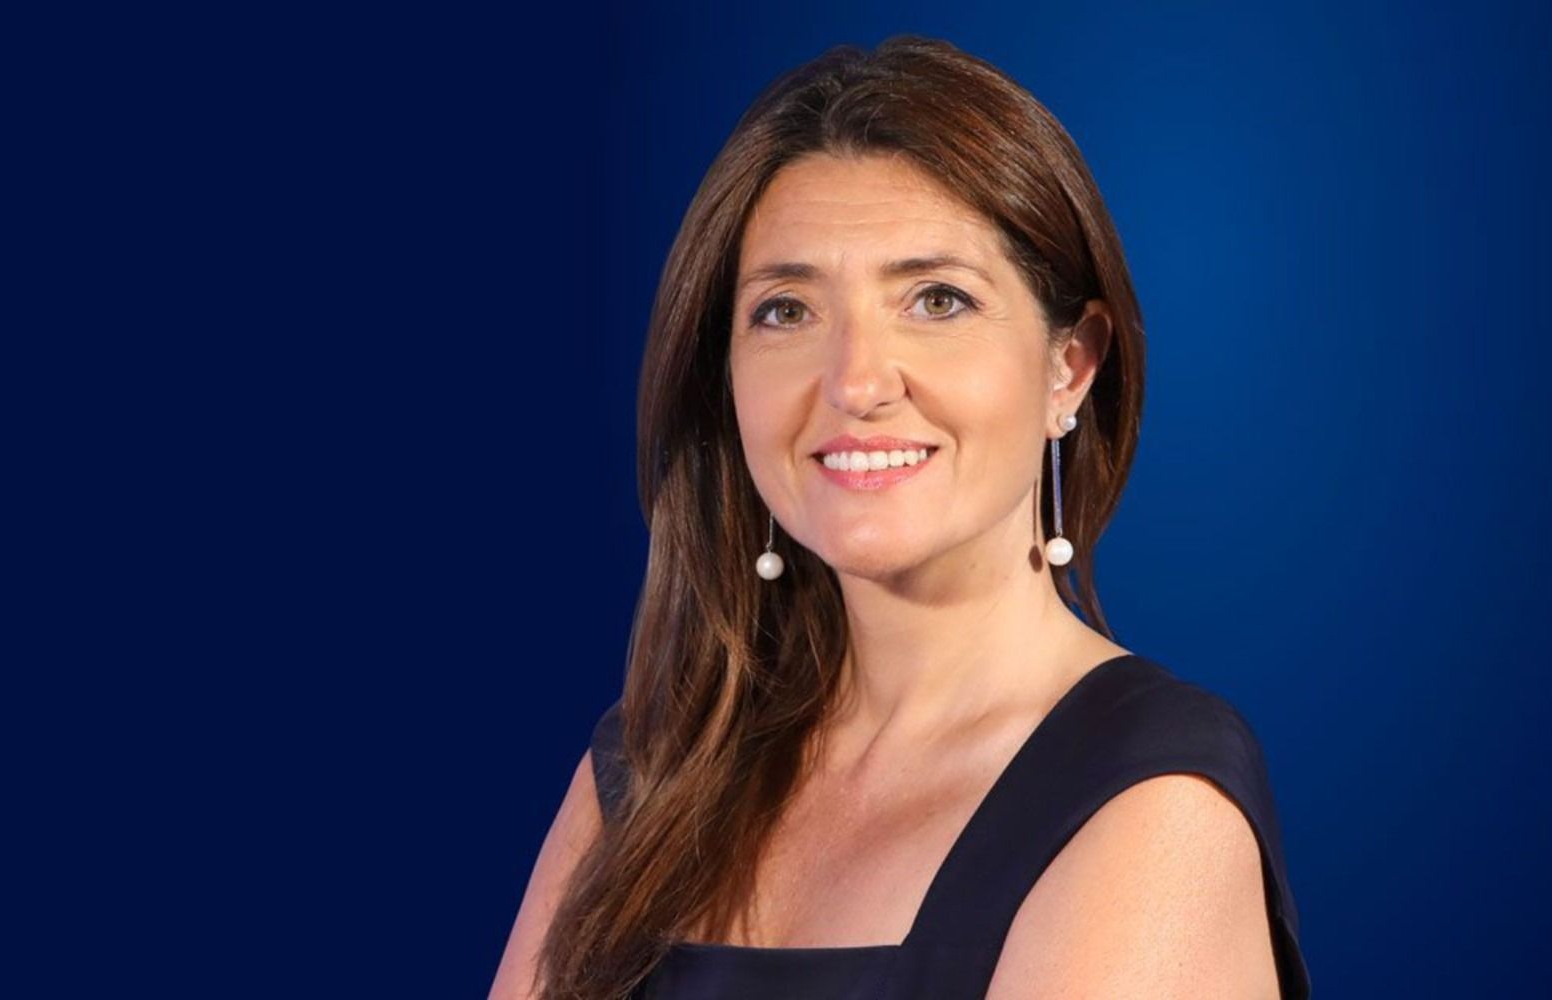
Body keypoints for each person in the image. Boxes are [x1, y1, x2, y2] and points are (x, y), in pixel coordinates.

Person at [490, 35, 1309, 1000]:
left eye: (937, 300)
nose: (856, 382)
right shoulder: (648, 769)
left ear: (1071, 366)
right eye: (787, 310)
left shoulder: (1152, 799)